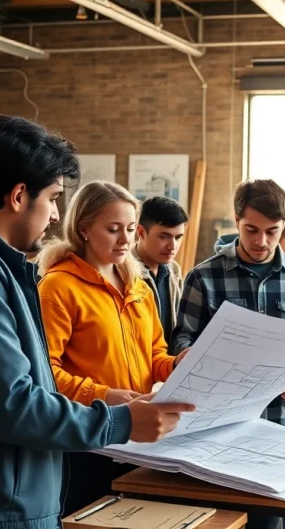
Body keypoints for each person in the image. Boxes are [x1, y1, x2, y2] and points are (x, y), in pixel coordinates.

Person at [0, 115, 193, 529]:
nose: (56, 216)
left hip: (12, 502)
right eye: (53, 198)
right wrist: (122, 420)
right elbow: (14, 405)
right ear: (20, 195)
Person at [173, 179, 285, 529]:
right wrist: (185, 357)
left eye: (272, 231)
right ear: (236, 220)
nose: (261, 241)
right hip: (214, 435)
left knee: (275, 524)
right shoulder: (204, 277)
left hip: (280, 432)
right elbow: (183, 336)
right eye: (251, 230)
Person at [37, 181, 188, 514]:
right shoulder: (58, 286)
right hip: (86, 442)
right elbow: (45, 375)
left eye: (132, 229)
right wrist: (103, 395)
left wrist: (178, 364)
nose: (126, 240)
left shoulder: (139, 287)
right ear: (84, 229)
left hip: (140, 440)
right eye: (113, 229)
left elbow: (155, 357)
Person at [133, 196, 188, 344]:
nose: (172, 246)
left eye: (178, 237)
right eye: (164, 237)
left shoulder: (174, 270)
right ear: (141, 232)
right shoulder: (123, 271)